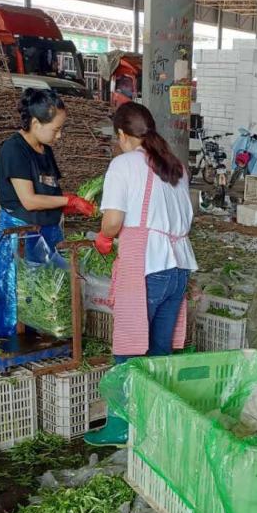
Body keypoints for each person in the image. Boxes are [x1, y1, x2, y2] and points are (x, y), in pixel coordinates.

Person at [84, 101, 197, 446]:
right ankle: (156, 422)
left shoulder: (124, 164)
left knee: (130, 351)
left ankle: (121, 426)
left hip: (147, 266)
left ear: (122, 134)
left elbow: (114, 220)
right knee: (160, 352)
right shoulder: (173, 164)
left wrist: (103, 237)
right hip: (178, 267)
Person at [0, 88, 95, 339]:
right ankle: (9, 342)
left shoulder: (44, 149)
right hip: (22, 234)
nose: (59, 135)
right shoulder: (14, 150)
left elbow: (49, 190)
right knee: (18, 289)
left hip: (47, 231)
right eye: (55, 129)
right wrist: (68, 200)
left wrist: (69, 205)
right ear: (36, 123)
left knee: (47, 289)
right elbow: (29, 200)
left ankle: (45, 338)